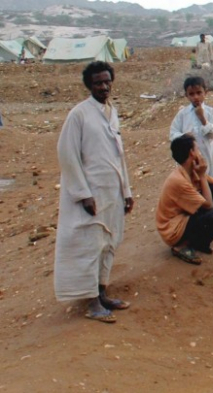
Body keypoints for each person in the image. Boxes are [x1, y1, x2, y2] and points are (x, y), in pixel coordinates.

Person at [54, 61, 134, 324]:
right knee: (90, 245)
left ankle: (102, 292)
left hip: (112, 193)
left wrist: (127, 191)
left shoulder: (112, 112)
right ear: (89, 85)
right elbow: (67, 155)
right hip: (91, 194)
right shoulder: (79, 115)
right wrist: (82, 194)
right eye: (98, 82)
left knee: (109, 244)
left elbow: (119, 155)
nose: (104, 86)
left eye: (107, 81)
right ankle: (91, 302)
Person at [156, 134, 213, 266]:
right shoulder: (179, 180)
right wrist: (202, 176)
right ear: (191, 153)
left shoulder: (191, 171)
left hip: (185, 216)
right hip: (173, 229)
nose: (200, 153)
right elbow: (209, 205)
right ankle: (181, 246)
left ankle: (199, 243)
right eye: (198, 149)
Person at [170, 76, 213, 176]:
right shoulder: (183, 114)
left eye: (199, 93)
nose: (196, 97)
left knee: (208, 180)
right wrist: (184, 137)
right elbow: (172, 134)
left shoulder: (211, 112)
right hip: (188, 156)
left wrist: (203, 119)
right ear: (186, 95)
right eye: (191, 94)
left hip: (207, 154)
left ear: (205, 92)